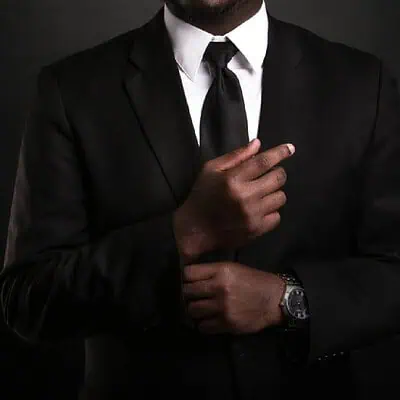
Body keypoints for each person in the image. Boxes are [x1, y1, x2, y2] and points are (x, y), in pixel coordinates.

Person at [1, 0, 400, 398]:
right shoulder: (70, 90)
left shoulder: (363, 83)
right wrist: (185, 233)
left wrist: (285, 299)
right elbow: (28, 299)